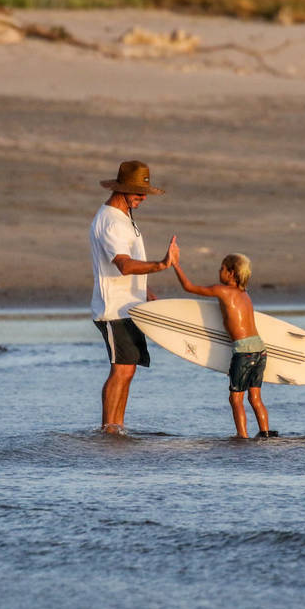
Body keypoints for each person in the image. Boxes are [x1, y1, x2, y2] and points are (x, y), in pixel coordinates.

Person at [90, 160, 178, 434]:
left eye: (145, 194)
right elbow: (125, 265)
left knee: (128, 370)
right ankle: (109, 429)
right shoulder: (111, 223)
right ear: (122, 190)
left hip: (129, 305)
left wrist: (145, 292)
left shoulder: (123, 215)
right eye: (139, 193)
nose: (142, 198)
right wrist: (162, 264)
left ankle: (117, 427)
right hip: (113, 308)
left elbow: (130, 269)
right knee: (121, 370)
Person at [172, 253, 277, 439]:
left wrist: (176, 265)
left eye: (222, 268)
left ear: (231, 273)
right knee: (255, 398)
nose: (219, 272)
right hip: (260, 350)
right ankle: (265, 433)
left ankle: (242, 437)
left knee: (235, 399)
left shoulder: (223, 291)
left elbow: (189, 287)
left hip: (243, 352)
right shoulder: (245, 294)